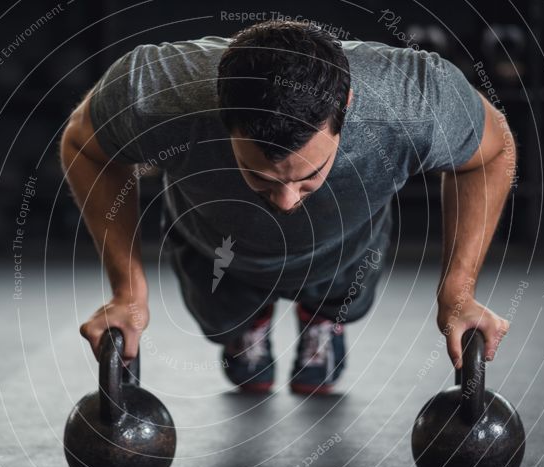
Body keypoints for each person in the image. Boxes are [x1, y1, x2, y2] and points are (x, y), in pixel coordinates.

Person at [60, 20, 513, 395]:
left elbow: (493, 152)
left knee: (342, 297)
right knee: (221, 316)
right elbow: (84, 145)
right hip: (214, 240)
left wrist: (458, 291)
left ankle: (322, 318)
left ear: (347, 105)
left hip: (345, 242)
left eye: (307, 177)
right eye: (261, 175)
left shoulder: (412, 98)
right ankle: (245, 324)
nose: (286, 201)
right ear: (222, 110)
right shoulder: (155, 92)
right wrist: (128, 290)